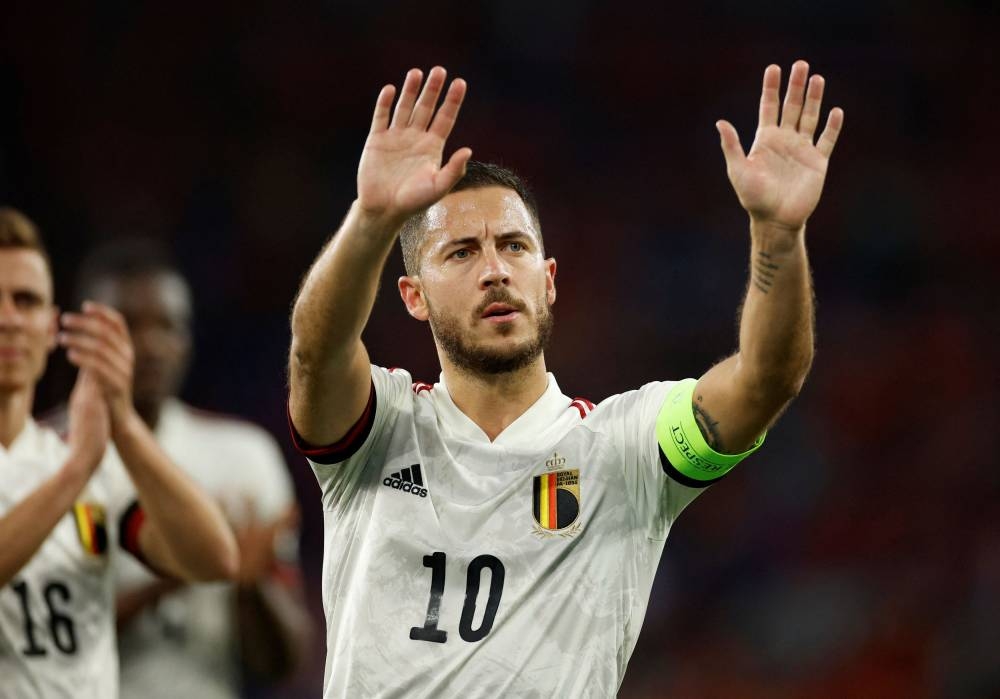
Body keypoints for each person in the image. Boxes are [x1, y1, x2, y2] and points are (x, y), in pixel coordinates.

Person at [287, 61, 843, 697]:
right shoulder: (378, 430)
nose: (495, 270)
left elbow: (766, 381)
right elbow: (315, 355)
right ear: (413, 295)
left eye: (514, 246)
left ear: (548, 279)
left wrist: (778, 235)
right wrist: (371, 219)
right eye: (462, 252)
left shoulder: (624, 448)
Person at [52, 240, 310, 698]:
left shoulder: (243, 456)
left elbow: (285, 661)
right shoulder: (43, 456)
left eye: (168, 326)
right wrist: (190, 560)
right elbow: (40, 644)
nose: (151, 344)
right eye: (128, 326)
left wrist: (250, 587)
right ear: (81, 333)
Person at [0, 209, 238, 699]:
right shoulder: (78, 465)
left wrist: (124, 424)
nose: (7, 319)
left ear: (51, 329)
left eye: (25, 301)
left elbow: (213, 559)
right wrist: (76, 471)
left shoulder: (80, 465)